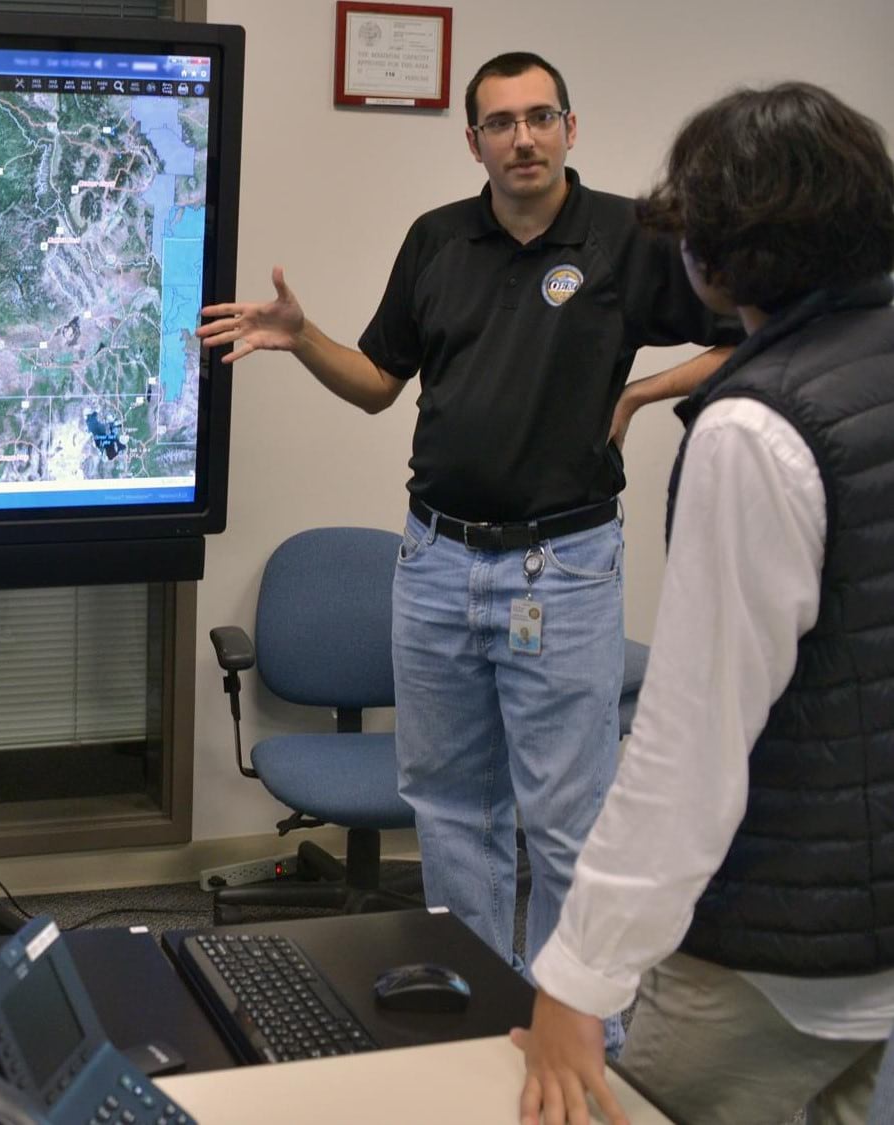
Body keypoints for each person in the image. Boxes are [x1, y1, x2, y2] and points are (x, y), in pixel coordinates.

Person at [198, 52, 736, 1016]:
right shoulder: (436, 240)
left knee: (566, 820)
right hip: (436, 560)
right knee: (448, 812)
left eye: (539, 118)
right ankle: (478, 1014)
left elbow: (748, 331)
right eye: (500, 123)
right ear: (473, 142)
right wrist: (300, 332)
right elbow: (375, 383)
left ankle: (580, 1034)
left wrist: (643, 392)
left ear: (571, 126)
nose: (521, 138)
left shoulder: (630, 236)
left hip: (561, 569)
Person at [514, 82, 894, 1125]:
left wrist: (577, 980)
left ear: (710, 256)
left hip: (770, 957)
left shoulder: (755, 431)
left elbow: (689, 743)